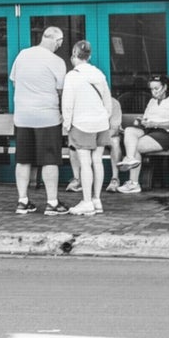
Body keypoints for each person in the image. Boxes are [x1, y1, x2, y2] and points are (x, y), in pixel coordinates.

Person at [8, 25, 68, 217]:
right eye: (60, 43)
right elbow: (61, 91)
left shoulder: (22, 55)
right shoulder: (57, 61)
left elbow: (15, 81)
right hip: (47, 117)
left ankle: (22, 201)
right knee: (49, 159)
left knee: (23, 159)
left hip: (22, 116)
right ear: (57, 41)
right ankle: (51, 203)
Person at [61, 40, 113, 218]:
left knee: (85, 163)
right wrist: (104, 117)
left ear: (74, 54)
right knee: (97, 160)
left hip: (81, 123)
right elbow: (108, 99)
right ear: (89, 56)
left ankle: (86, 201)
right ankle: (97, 199)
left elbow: (67, 104)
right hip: (100, 123)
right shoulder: (98, 73)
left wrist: (67, 124)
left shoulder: (72, 76)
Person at [117, 74, 169, 194]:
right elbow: (147, 117)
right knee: (129, 131)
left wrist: (154, 124)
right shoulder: (152, 101)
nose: (153, 92)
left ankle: (133, 183)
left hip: (167, 133)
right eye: (151, 89)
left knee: (136, 146)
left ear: (165, 87)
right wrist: (141, 120)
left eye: (156, 88)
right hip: (151, 130)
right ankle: (130, 159)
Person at [68, 94, 124, 193]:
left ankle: (115, 179)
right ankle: (76, 179)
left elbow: (114, 128)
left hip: (107, 134)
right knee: (73, 143)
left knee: (115, 141)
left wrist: (99, 139)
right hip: (88, 135)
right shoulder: (82, 103)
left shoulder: (113, 103)